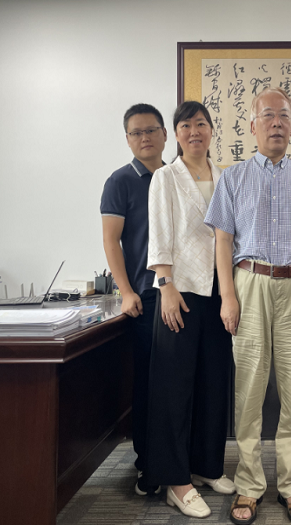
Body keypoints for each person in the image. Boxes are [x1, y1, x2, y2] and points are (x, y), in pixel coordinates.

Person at [205, 87, 291, 525]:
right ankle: (248, 484)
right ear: (252, 125)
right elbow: (223, 242)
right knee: (249, 390)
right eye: (268, 116)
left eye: (283, 116)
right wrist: (227, 295)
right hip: (250, 284)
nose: (276, 123)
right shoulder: (232, 178)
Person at [144, 101, 235, 518]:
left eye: (201, 123)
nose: (194, 131)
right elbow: (160, 233)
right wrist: (165, 285)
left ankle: (206, 466)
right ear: (175, 134)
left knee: (215, 380)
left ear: (211, 130)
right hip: (179, 291)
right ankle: (176, 481)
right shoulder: (165, 177)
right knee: (174, 386)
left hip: (220, 290)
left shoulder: (226, 176)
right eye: (185, 125)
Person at [100, 103, 167, 497]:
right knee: (149, 384)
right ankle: (148, 463)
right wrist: (126, 291)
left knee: (175, 384)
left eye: (151, 130)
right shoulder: (120, 181)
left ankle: (176, 460)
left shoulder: (176, 177)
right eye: (136, 132)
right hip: (146, 298)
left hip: (181, 295)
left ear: (164, 135)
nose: (145, 138)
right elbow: (112, 240)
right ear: (127, 139)